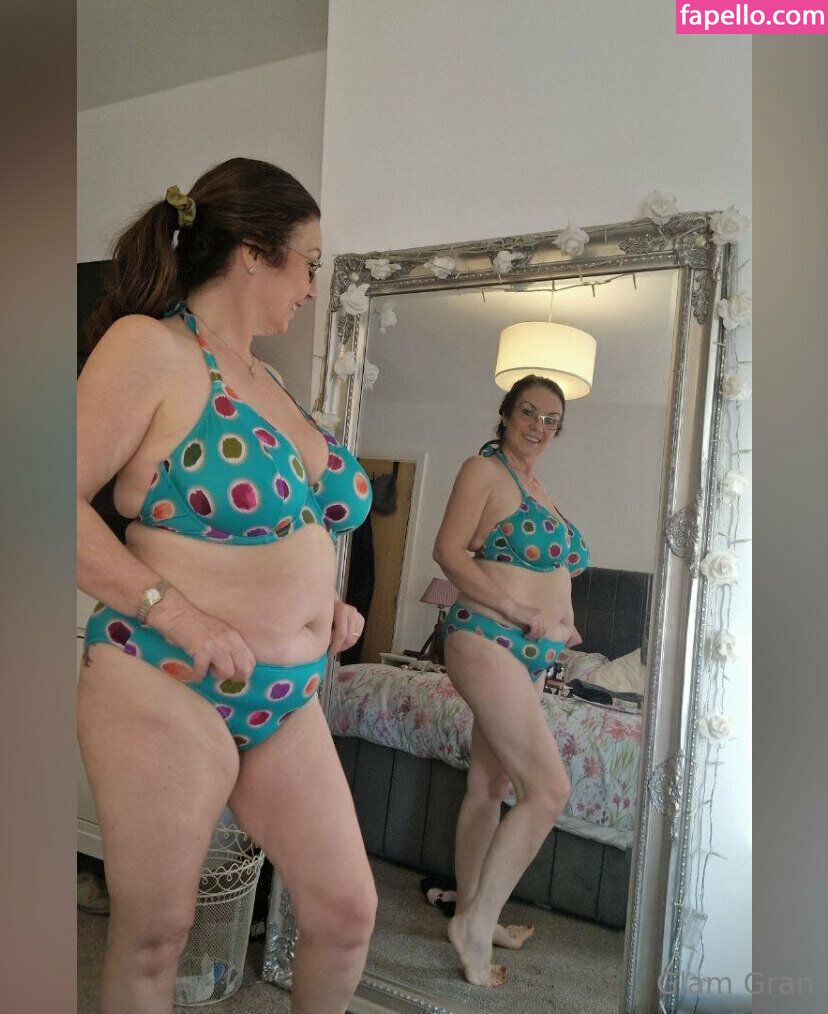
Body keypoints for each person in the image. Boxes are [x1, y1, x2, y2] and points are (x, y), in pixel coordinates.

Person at [77, 157, 377, 1014]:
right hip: (165, 675)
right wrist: (175, 612)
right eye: (308, 263)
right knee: (155, 936)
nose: (313, 287)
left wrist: (322, 605)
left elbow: (281, 529)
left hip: (283, 694)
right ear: (253, 252)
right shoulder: (152, 349)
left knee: (345, 912)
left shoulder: (268, 378)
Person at [432, 375, 590, 987]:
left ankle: (476, 911)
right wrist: (518, 609)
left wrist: (563, 625)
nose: (539, 426)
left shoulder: (540, 489)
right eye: (529, 412)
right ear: (505, 413)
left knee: (489, 783)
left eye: (552, 420)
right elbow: (449, 552)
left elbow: (551, 573)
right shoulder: (483, 470)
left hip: (532, 655)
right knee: (547, 789)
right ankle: (474, 925)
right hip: (487, 636)